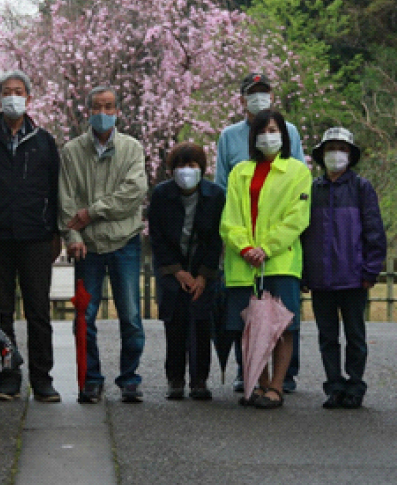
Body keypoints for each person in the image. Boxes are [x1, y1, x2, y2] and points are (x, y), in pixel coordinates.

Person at [0, 69, 61, 403]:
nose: (13, 97)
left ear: (29, 98)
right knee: (0, 311)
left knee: (38, 311)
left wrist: (56, 231)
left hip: (36, 236)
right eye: (6, 91)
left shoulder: (44, 141)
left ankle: (43, 379)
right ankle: (9, 376)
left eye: (19, 91)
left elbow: (56, 189)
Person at [214, 71, 305, 393]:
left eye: (273, 131)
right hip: (244, 260)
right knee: (248, 323)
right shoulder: (240, 168)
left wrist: (266, 247)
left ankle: (280, 383)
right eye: (262, 131)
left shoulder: (297, 169)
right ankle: (254, 379)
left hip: (279, 258)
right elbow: (228, 208)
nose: (268, 136)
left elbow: (297, 214)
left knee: (282, 323)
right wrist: (243, 247)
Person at [58, 86, 148, 404]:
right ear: (88, 111)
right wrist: (73, 235)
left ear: (117, 111)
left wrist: (91, 212)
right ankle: (91, 379)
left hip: (124, 241)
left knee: (131, 316)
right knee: (85, 316)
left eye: (109, 106)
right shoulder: (71, 151)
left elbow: (133, 192)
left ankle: (130, 379)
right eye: (97, 106)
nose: (103, 112)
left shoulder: (132, 148)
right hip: (88, 248)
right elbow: (65, 199)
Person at [301, 127, 386, 409]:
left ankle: (355, 385)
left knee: (355, 335)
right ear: (321, 155)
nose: (336, 154)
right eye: (330, 148)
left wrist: (370, 270)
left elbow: (374, 230)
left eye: (342, 148)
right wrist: (304, 274)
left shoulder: (362, 188)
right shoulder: (312, 190)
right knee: (327, 336)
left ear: (350, 154)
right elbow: (301, 232)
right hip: (320, 278)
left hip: (353, 277)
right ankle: (334, 385)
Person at [147, 142, 225, 401]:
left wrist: (203, 275)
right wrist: (177, 271)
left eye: (192, 165)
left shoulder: (215, 195)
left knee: (202, 324)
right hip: (173, 271)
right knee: (175, 324)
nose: (186, 171)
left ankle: (200, 380)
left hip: (203, 270)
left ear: (202, 168)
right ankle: (175, 379)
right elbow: (156, 237)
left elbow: (216, 238)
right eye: (180, 165)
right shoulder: (161, 195)